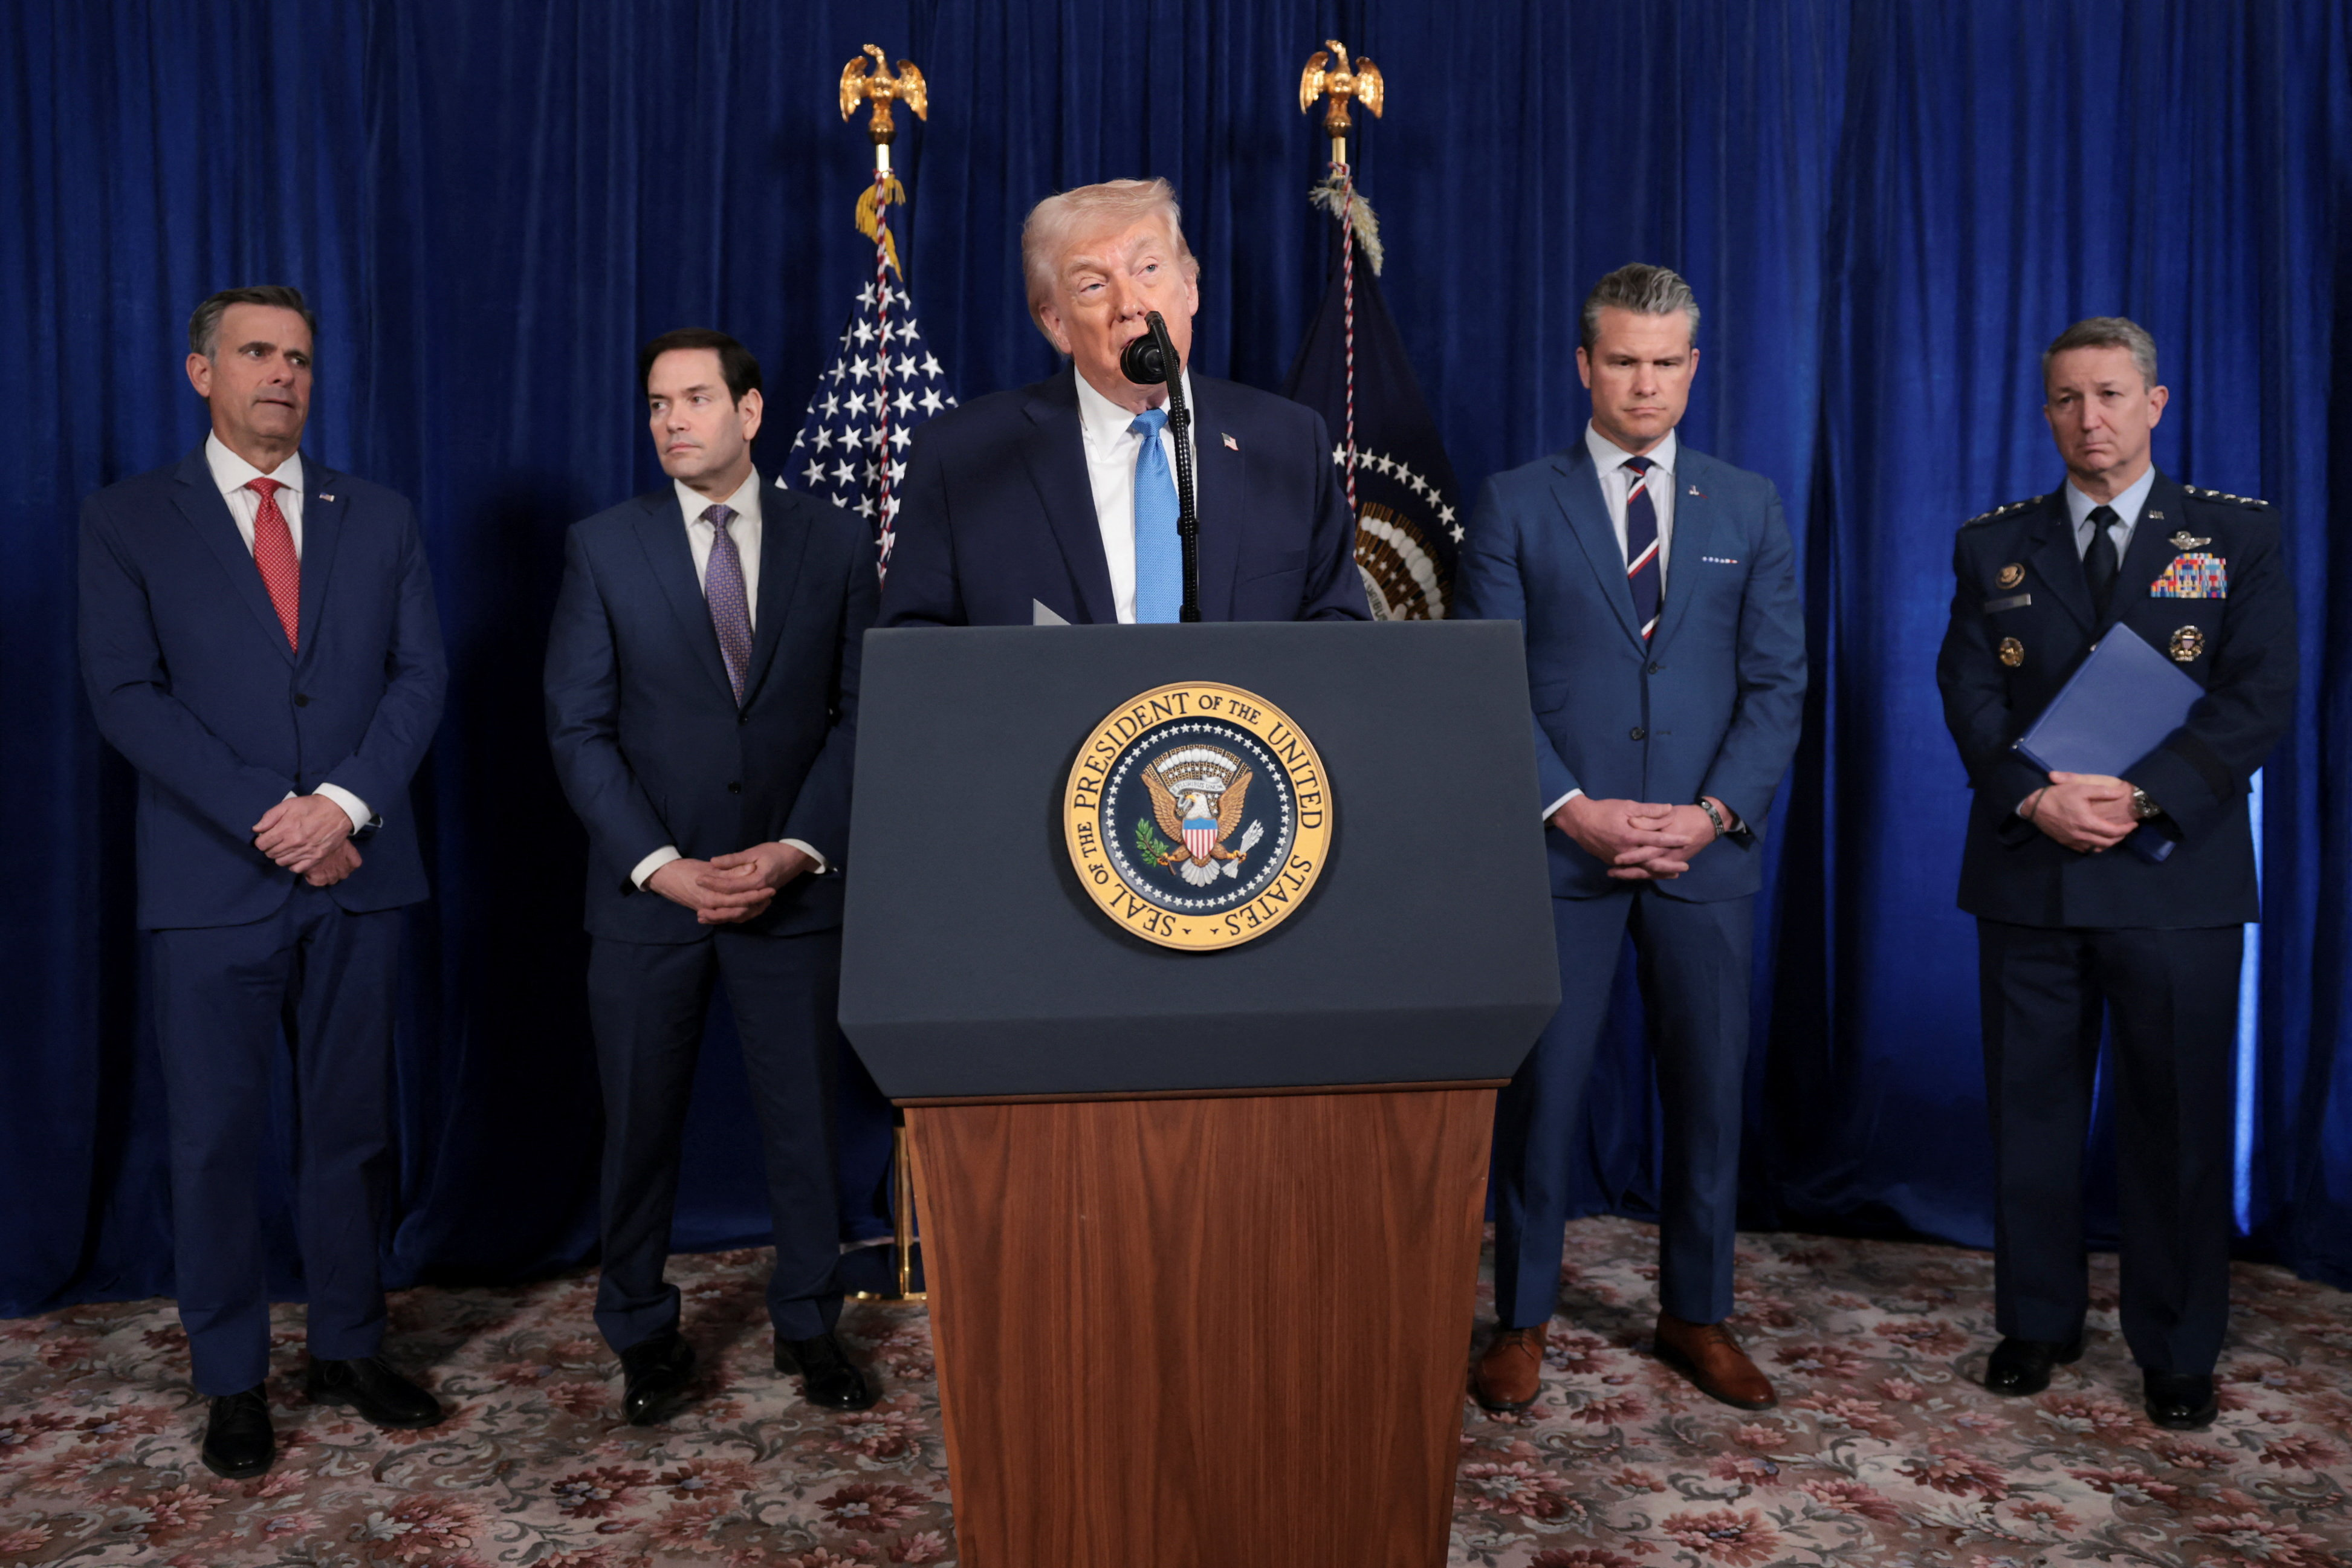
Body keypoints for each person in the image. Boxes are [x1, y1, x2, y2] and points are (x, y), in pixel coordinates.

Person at [77, 285, 448, 1477]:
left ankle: (349, 1344)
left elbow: (417, 677)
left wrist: (340, 806)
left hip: (359, 867)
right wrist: (269, 816)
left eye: (296, 356)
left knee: (350, 1133)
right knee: (215, 1139)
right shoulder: (129, 521)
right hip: (210, 882)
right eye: (254, 353)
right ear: (202, 373)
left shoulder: (378, 515)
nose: (280, 374)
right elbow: (127, 697)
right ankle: (232, 1377)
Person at [1456, 264, 1806, 1414]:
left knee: (1708, 1096)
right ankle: (1523, 1318)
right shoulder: (1512, 501)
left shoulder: (1747, 504)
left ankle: (1695, 1312)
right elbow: (1485, 682)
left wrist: (1707, 816)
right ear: (1583, 365)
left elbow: (1776, 683)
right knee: (1543, 1098)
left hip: (1707, 856)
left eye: (1665, 363)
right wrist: (1573, 807)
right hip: (1561, 853)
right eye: (1622, 360)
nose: (1644, 383)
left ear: (1693, 368)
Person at [1935, 317, 2295, 1430]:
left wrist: (2139, 796)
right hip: (2031, 868)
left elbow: (2260, 696)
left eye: (2109, 394)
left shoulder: (2235, 536)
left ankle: (2177, 1342)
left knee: (2177, 1119)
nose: (2088, 417)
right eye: (2065, 398)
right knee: (2030, 1111)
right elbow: (1968, 696)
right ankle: (2036, 1318)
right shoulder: (1992, 545)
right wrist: (2035, 795)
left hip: (2173, 872)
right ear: (2044, 412)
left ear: (2156, 402)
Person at [545, 328, 880, 1423]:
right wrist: (660, 866)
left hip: (795, 890)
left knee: (802, 1126)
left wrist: (797, 848)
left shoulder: (834, 541)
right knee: (638, 1129)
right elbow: (578, 728)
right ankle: (642, 1331)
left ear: (750, 409)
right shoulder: (603, 548)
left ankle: (809, 1324)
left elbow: (860, 713)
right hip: (651, 901)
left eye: (693, 399)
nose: (671, 422)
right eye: (655, 404)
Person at [878, 177, 1367, 627]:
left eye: (1149, 269)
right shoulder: (963, 458)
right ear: (1057, 325)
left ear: (1190, 288)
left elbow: (1338, 636)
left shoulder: (1288, 443)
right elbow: (916, 655)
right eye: (1093, 285)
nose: (1130, 304)